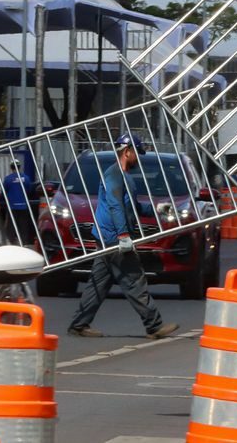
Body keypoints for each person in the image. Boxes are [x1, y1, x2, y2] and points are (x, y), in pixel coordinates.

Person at [69, 133, 179, 339]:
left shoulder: (125, 176)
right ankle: (154, 325)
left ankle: (78, 324)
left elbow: (133, 208)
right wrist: (123, 235)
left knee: (98, 282)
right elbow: (115, 206)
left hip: (108, 236)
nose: (139, 157)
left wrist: (157, 210)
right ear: (127, 152)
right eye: (137, 153)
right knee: (134, 280)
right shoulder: (114, 175)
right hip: (112, 237)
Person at [3, 160, 34, 244]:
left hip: (12, 206)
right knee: (23, 226)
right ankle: (24, 243)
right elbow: (29, 190)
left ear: (11, 167)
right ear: (19, 167)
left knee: (11, 227)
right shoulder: (26, 178)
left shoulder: (8, 179)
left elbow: (4, 192)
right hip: (23, 206)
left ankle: (11, 243)